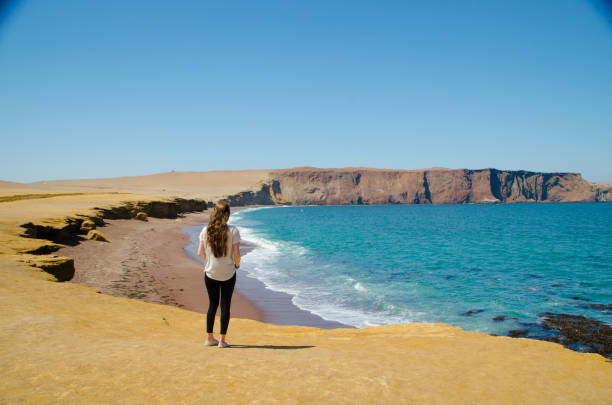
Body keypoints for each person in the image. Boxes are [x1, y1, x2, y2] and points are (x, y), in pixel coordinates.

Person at [197, 201, 241, 348]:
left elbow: (200, 253)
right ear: (227, 215)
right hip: (228, 272)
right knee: (225, 305)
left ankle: (209, 338)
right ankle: (222, 341)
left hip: (210, 272)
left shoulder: (205, 230)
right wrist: (237, 265)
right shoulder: (233, 231)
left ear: (214, 213)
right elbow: (237, 254)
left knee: (212, 304)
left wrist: (210, 261)